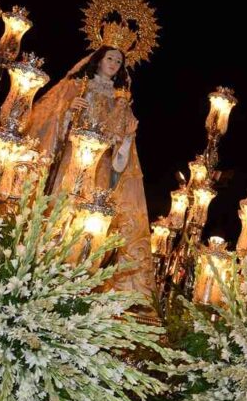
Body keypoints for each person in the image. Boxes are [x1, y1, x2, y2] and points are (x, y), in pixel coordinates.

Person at [26, 43, 153, 295]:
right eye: (110, 58)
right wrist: (67, 109)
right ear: (98, 60)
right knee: (63, 205)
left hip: (101, 167)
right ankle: (47, 260)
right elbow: (51, 121)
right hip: (72, 158)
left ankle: (81, 266)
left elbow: (121, 148)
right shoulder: (76, 87)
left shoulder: (120, 102)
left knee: (90, 215)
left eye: (118, 62)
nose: (114, 64)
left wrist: (126, 137)